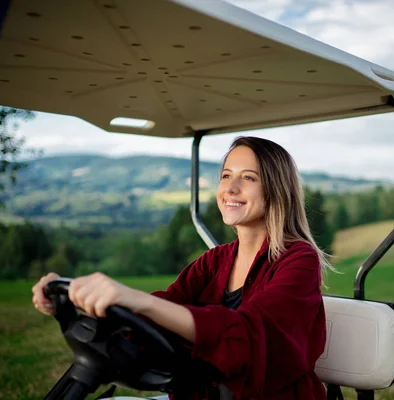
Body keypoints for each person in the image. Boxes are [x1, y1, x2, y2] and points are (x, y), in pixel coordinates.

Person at [32, 136, 331, 399]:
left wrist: (141, 301)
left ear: (276, 190)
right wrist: (72, 300)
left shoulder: (298, 260)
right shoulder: (214, 261)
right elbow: (162, 311)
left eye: (249, 178)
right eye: (226, 176)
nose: (231, 188)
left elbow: (251, 337)